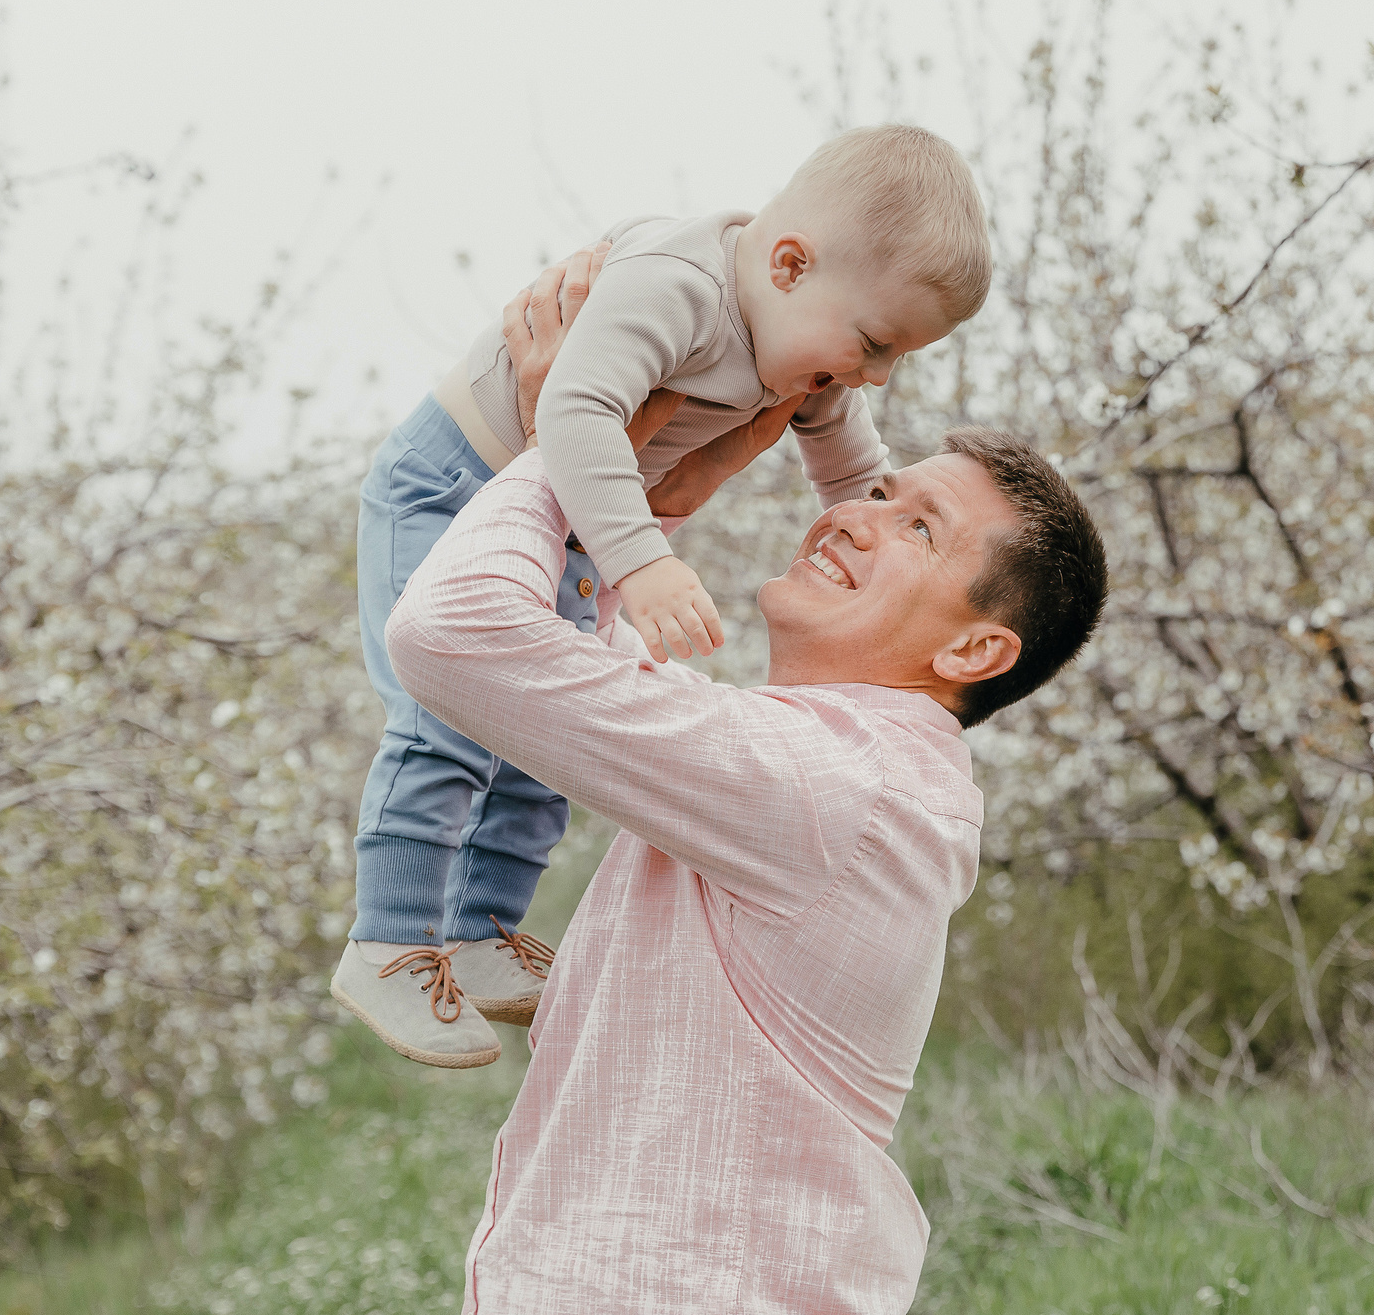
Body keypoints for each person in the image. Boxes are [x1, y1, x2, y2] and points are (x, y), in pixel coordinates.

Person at [382, 259, 1107, 1315]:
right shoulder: (809, 768)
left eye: (918, 528)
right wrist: (632, 483)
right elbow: (577, 669)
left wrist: (563, 438)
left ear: (973, 652)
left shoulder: (834, 790)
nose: (855, 517)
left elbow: (455, 630)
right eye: (878, 491)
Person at [334, 126, 992, 1067]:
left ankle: (479, 933)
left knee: (534, 727)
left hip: (570, 522)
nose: (875, 375)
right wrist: (641, 562)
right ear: (791, 264)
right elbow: (573, 405)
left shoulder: (807, 357)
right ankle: (390, 939)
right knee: (444, 716)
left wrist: (922, 570)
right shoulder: (680, 285)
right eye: (875, 343)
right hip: (452, 487)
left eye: (896, 360)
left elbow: (856, 480)